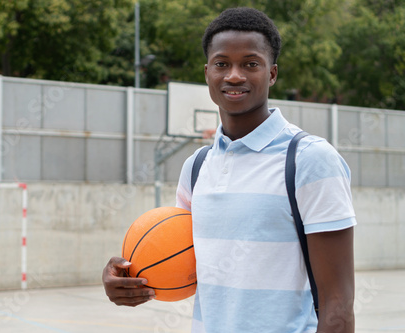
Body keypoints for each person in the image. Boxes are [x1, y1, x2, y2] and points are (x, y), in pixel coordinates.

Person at [102, 7, 356, 333]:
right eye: (222, 64)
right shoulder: (196, 166)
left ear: (272, 74)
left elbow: (339, 303)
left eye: (251, 64)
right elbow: (182, 266)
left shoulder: (310, 159)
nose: (234, 75)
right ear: (208, 72)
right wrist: (127, 279)